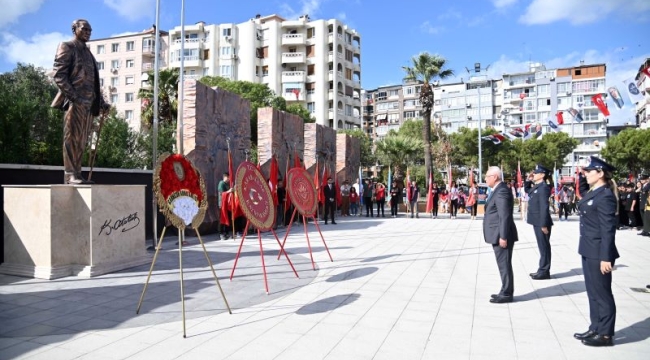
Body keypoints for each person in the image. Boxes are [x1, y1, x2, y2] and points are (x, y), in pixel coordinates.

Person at [51, 19, 111, 184]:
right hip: (75, 101)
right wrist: (75, 98)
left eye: (90, 30)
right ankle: (70, 174)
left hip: (89, 103)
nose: (88, 32)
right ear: (74, 29)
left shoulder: (89, 53)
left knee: (82, 140)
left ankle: (77, 173)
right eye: (85, 29)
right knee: (72, 138)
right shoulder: (67, 46)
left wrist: (101, 103)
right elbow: (58, 75)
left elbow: (92, 82)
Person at [573, 156, 619, 347]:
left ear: (600, 174)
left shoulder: (606, 195)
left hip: (599, 252)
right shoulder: (595, 192)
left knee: (602, 293)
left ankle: (606, 334)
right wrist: (581, 175)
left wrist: (606, 257)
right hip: (588, 249)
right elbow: (582, 191)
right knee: (592, 292)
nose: (587, 174)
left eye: (590, 171)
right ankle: (596, 327)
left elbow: (608, 229)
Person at [483, 166, 518, 303]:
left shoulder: (502, 191)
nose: (485, 179)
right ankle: (504, 290)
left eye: (487, 176)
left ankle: (507, 293)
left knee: (504, 264)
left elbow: (505, 216)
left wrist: (503, 236)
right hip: (497, 233)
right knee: (503, 264)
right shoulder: (496, 190)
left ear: (495, 177)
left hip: (501, 235)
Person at [527, 164, 554, 280]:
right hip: (536, 221)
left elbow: (544, 207)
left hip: (541, 222)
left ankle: (544, 271)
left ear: (542, 175)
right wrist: (528, 180)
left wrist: (544, 224)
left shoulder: (543, 187)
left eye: (536, 173)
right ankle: (542, 269)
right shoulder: (537, 186)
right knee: (542, 246)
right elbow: (528, 191)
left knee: (544, 247)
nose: (534, 174)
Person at [217, 172, 233, 240]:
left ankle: (226, 233)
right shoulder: (221, 183)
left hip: (227, 204)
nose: (229, 179)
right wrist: (229, 191)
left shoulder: (227, 184)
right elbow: (222, 193)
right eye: (229, 177)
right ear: (225, 177)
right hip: (222, 204)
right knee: (222, 219)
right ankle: (221, 233)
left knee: (228, 218)